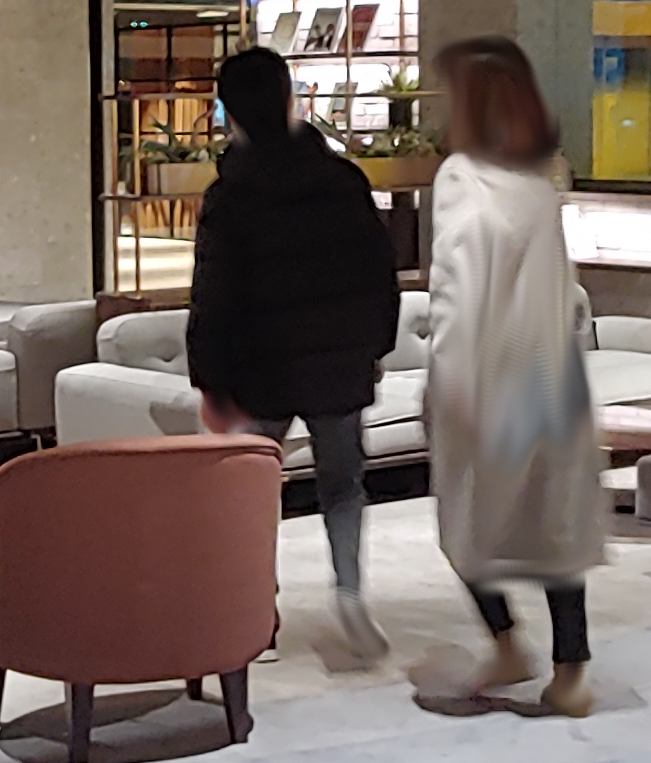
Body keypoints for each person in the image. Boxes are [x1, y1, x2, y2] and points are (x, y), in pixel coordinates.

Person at [184, 46, 404, 656]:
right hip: (337, 361)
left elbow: (213, 297)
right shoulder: (342, 180)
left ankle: (260, 608)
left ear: (229, 112)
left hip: (259, 368)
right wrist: (373, 348)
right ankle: (351, 593)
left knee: (254, 490)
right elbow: (379, 274)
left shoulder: (231, 195)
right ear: (290, 99)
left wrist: (210, 380)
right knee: (343, 484)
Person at [422, 35, 608, 716]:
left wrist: (446, 380)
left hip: (485, 375)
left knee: (464, 523)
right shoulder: (539, 181)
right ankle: (571, 669)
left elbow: (458, 284)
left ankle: (506, 642)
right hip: (550, 373)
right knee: (555, 528)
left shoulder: (462, 178)